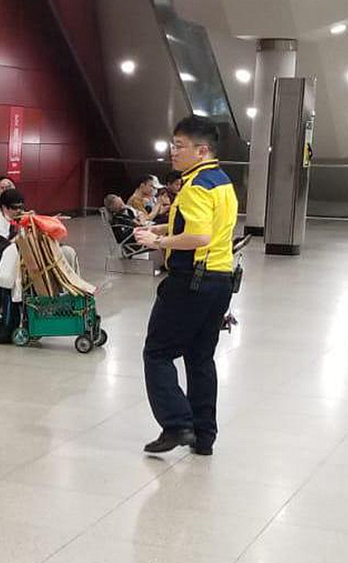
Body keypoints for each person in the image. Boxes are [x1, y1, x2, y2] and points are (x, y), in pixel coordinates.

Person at [134, 115, 238, 456]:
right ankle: (204, 435)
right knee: (199, 358)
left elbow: (199, 235)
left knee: (158, 353)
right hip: (220, 280)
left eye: (179, 147)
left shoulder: (194, 187)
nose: (173, 152)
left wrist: (157, 243)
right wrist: (161, 230)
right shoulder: (220, 181)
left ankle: (177, 423)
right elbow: (203, 226)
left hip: (191, 281)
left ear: (202, 149)